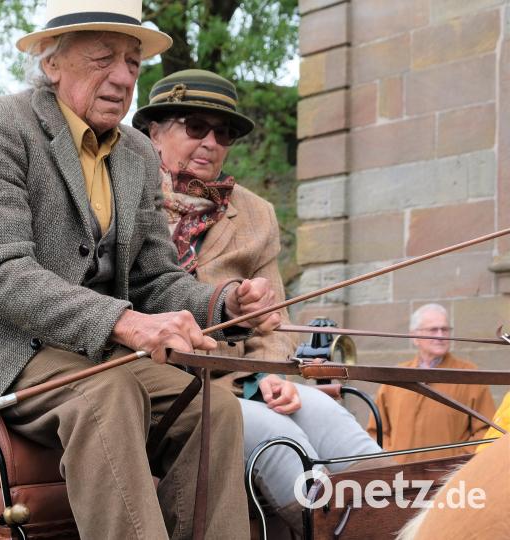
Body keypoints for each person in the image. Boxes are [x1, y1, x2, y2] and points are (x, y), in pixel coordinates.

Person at [0, 2, 282, 537]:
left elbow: (157, 278)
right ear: (52, 63)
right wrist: (125, 323)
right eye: (102, 59)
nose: (121, 78)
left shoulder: (136, 151)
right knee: (106, 395)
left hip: (88, 351)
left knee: (212, 407)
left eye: (133, 63)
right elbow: (2, 271)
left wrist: (227, 302)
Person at [132, 69, 382, 529]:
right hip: (165, 392)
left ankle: (405, 519)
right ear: (154, 130)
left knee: (333, 418)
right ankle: (331, 529)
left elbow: (275, 323)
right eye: (195, 127)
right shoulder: (127, 197)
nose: (210, 142)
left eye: (223, 132)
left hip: (241, 384)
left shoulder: (256, 215)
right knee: (283, 440)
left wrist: (272, 375)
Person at [367, 303, 496, 463]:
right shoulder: (395, 378)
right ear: (414, 337)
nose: (440, 335)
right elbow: (376, 431)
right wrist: (391, 459)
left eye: (445, 329)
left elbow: (487, 431)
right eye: (433, 330)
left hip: (449, 480)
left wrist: (457, 462)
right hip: (399, 479)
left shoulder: (470, 376)